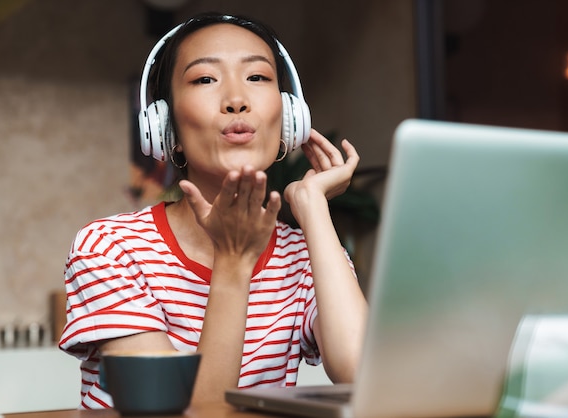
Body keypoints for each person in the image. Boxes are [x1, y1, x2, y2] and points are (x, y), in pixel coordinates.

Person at [59, 11, 367, 409]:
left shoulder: (307, 254)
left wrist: (313, 207)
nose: (237, 100)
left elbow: (362, 375)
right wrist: (234, 262)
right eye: (205, 79)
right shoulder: (109, 249)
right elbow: (187, 413)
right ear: (166, 127)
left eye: (257, 77)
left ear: (288, 119)